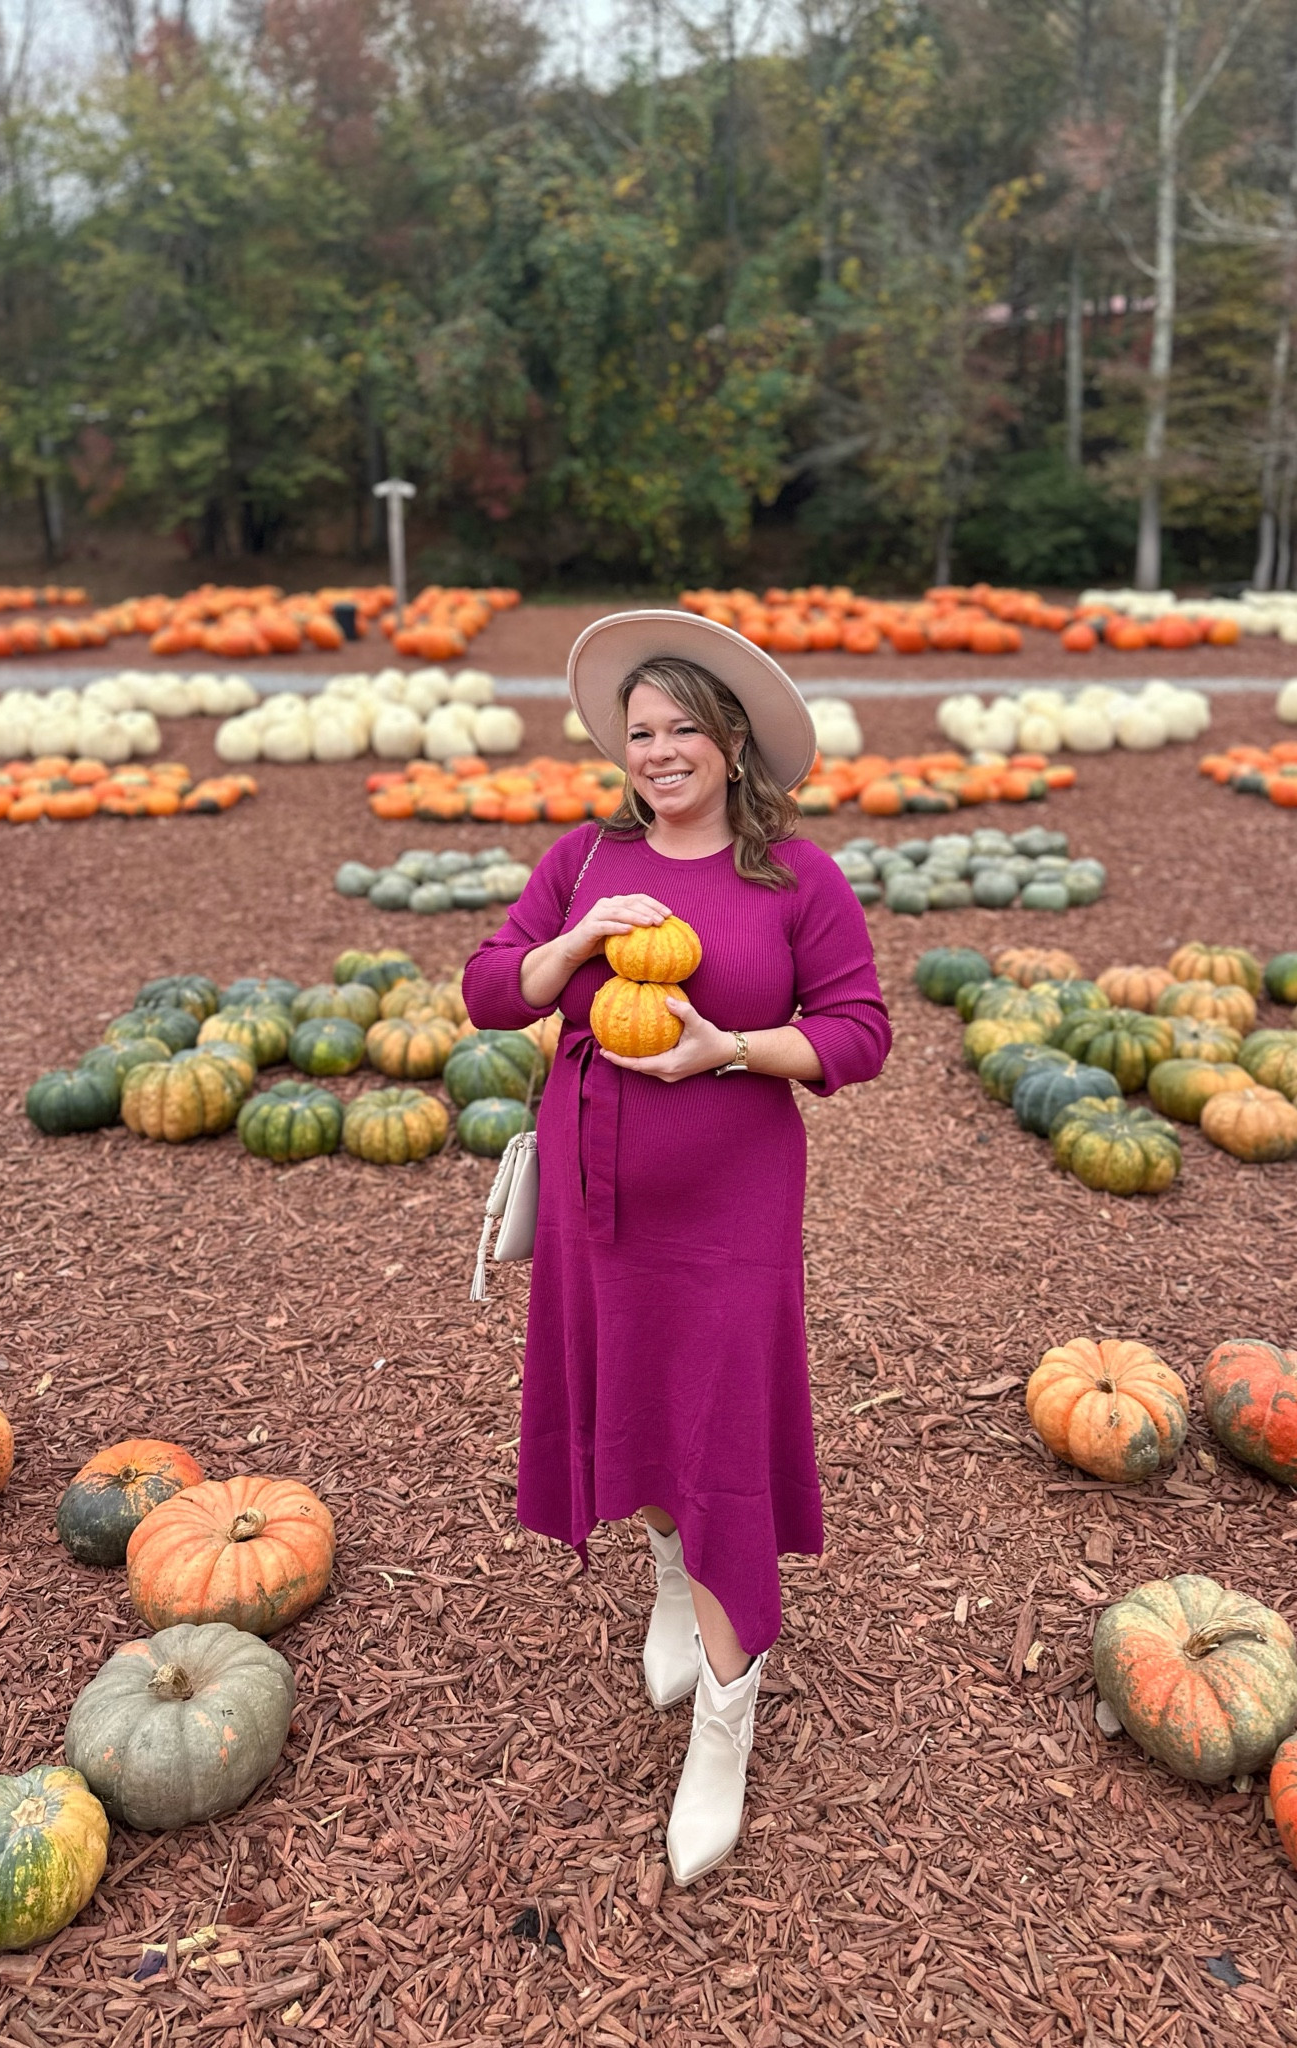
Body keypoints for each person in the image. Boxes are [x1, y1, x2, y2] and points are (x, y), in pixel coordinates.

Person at [462, 609, 891, 1883]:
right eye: (638, 731)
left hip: (731, 1213)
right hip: (602, 1207)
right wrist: (579, 941)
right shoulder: (585, 860)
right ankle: (663, 1572)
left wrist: (729, 1049)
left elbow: (859, 1032)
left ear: (729, 741)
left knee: (717, 1438)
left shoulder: (793, 879)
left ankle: (723, 1721)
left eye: (681, 729)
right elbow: (491, 988)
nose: (657, 751)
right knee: (636, 1413)